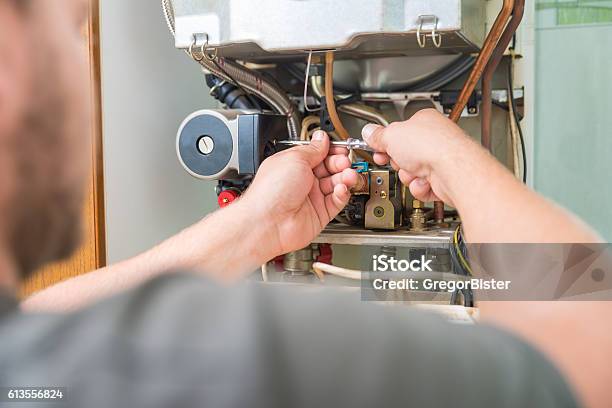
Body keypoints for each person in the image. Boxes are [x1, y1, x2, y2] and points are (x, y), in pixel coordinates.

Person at [0, 0, 609, 407]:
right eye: (70, 32)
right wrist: (456, 160)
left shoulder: (26, 378)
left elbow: (45, 325)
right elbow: (592, 344)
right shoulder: (249, 352)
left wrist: (257, 224)